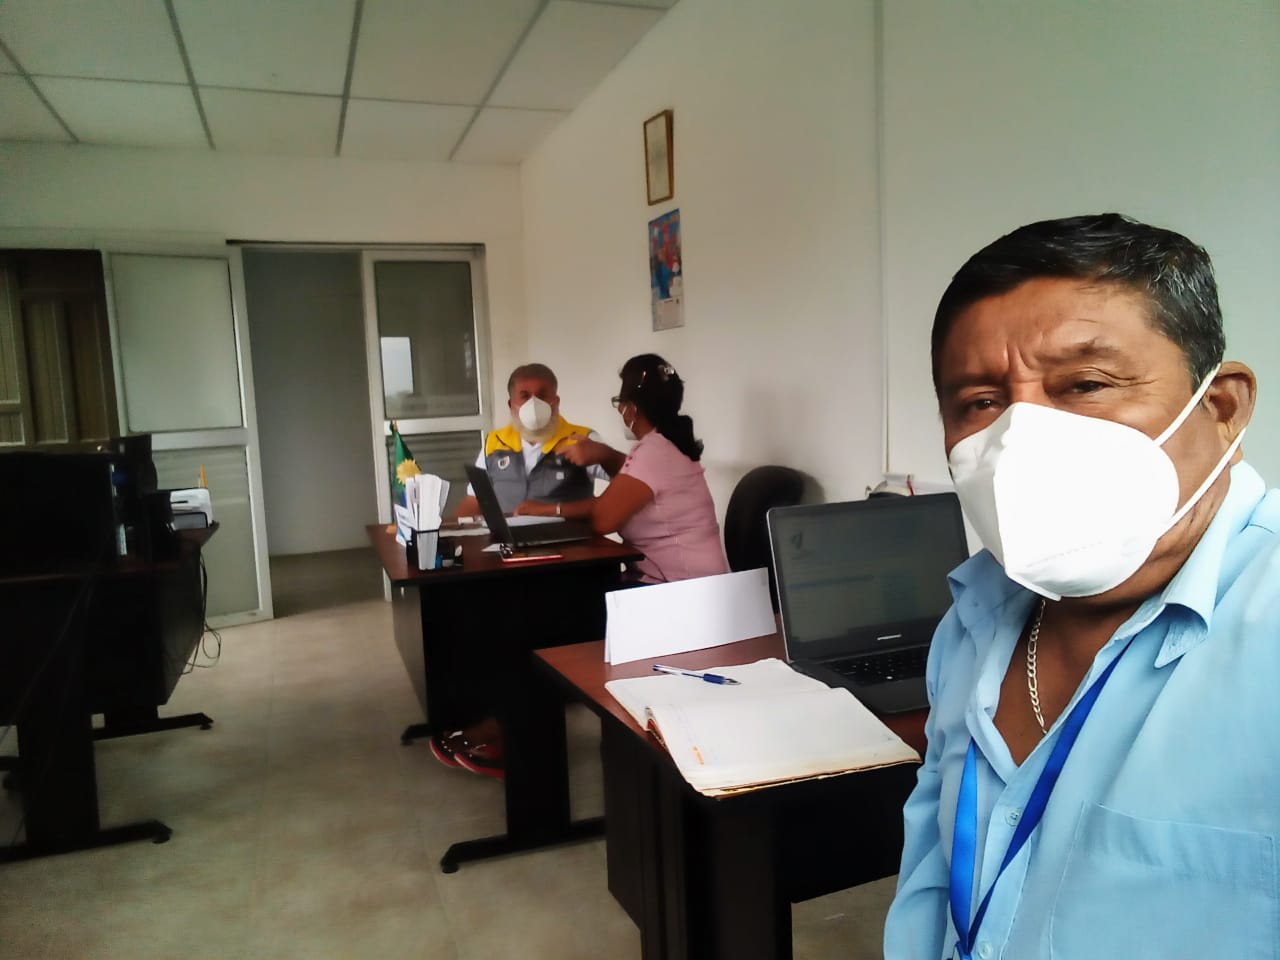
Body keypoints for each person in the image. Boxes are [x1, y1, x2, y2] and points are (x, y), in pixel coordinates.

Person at [883, 214, 1277, 959]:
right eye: (981, 402)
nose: (1021, 439)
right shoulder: (970, 622)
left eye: (1086, 384)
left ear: (1222, 408)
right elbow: (930, 884)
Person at [514, 353, 729, 585]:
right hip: (681, 581)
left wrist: (546, 509)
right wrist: (603, 454)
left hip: (682, 589)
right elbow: (632, 481)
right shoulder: (664, 445)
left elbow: (602, 518)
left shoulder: (653, 452)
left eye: (620, 403)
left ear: (631, 408)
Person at [452, 362, 611, 519]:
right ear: (511, 404)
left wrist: (554, 509)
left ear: (556, 401)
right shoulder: (495, 442)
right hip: (507, 536)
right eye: (525, 396)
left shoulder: (582, 439)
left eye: (542, 395)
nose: (534, 404)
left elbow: (620, 491)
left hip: (567, 535)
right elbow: (475, 500)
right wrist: (450, 527)